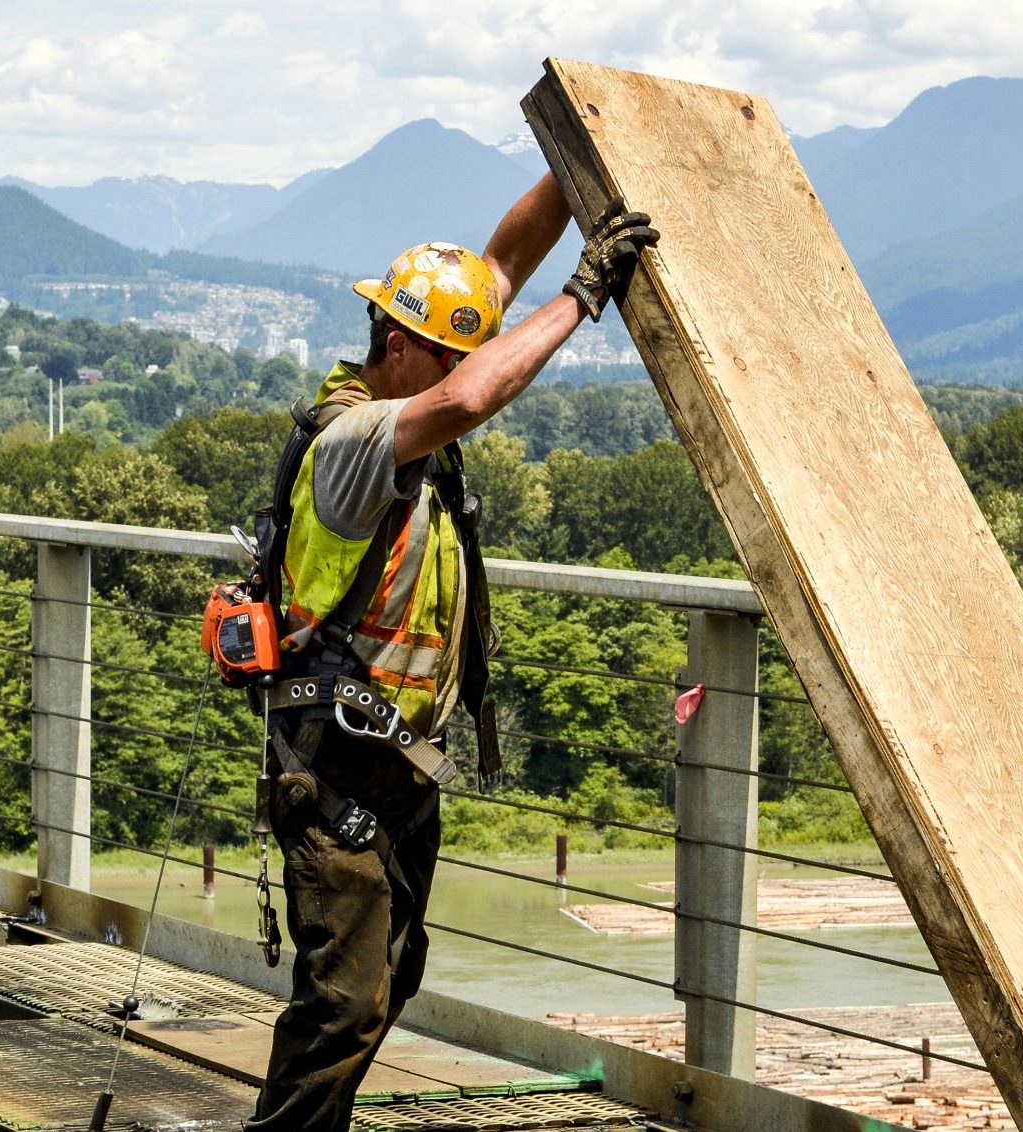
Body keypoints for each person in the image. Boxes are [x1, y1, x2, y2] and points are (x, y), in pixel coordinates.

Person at [244, 175, 656, 1132]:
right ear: (399, 348)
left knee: (388, 976)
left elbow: (499, 273)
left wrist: (575, 166)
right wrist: (583, 298)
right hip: (336, 766)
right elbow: (476, 390)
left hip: (396, 765)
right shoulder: (355, 441)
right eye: (445, 350)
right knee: (342, 1003)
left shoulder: (409, 381)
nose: (463, 361)